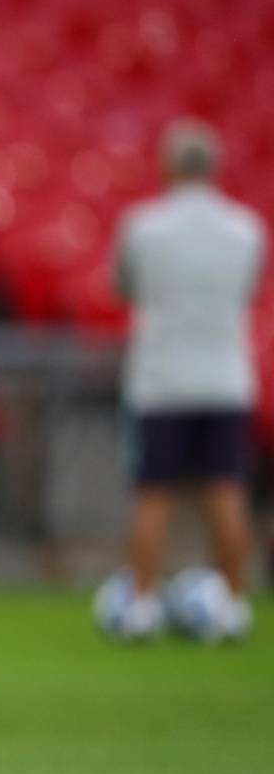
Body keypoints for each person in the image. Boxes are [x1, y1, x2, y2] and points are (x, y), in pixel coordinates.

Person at [107, 119, 266, 639]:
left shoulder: (143, 226)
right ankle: (232, 605)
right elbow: (248, 290)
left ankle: (142, 605)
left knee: (155, 492)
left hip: (162, 376)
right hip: (225, 375)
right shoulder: (247, 227)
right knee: (226, 488)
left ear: (169, 166)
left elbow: (124, 286)